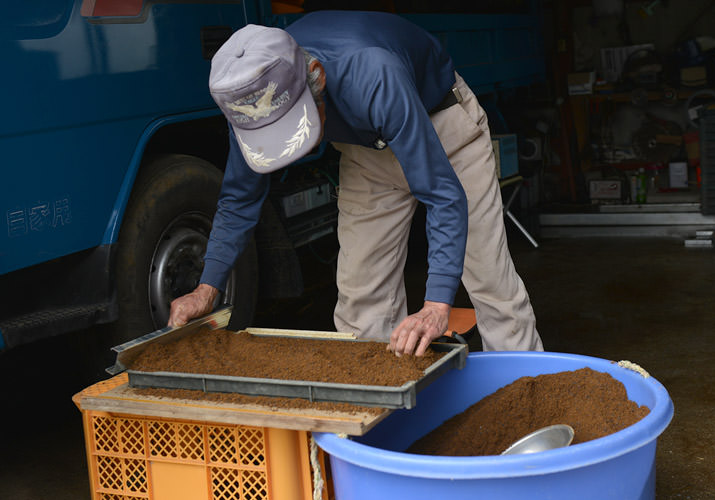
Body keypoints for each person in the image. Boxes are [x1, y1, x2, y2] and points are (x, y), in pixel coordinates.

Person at [168, 10, 544, 356]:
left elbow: (443, 195)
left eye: (291, 127)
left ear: (316, 76)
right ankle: (385, 404)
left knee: (490, 281)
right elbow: (239, 198)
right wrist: (207, 288)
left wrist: (435, 306)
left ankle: (527, 391)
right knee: (362, 300)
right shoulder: (253, 100)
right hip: (367, 149)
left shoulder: (373, 74)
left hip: (441, 126)